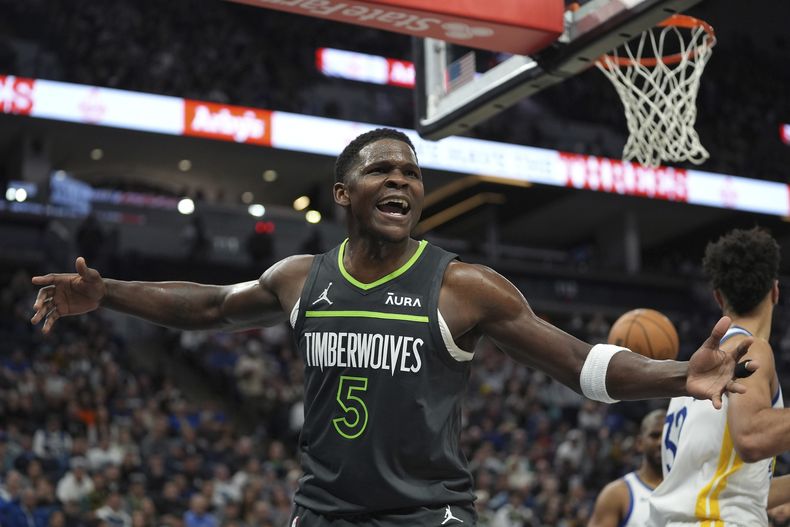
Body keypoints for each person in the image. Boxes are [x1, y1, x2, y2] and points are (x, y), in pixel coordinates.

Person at [31, 128, 754, 526]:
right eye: (385, 171)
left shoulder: (463, 286)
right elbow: (210, 306)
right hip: (323, 512)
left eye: (412, 173)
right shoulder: (299, 278)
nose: (404, 182)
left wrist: (676, 375)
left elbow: (575, 361)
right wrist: (111, 293)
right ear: (344, 193)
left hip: (425, 515)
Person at [648, 227, 787, 526]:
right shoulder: (750, 348)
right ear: (775, 291)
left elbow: (740, 490)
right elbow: (751, 437)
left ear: (717, 296)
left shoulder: (691, 381)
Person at [588, 409, 666, 527]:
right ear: (639, 443)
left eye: (666, 435)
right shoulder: (617, 493)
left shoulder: (690, 488)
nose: (661, 442)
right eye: (655, 435)